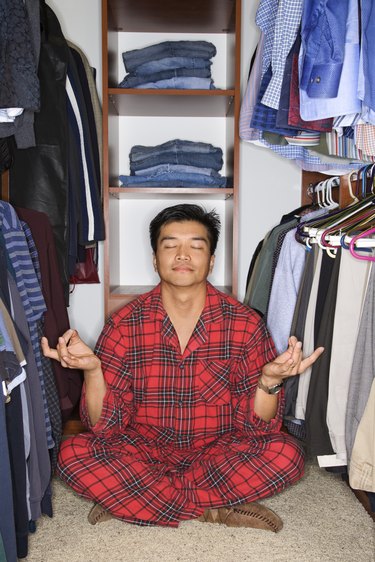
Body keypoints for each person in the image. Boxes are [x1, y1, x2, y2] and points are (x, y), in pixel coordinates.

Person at [41, 204, 324, 531]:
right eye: (170, 245)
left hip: (219, 453)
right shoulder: (123, 325)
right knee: (71, 453)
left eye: (196, 246)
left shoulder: (246, 325)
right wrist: (92, 371)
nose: (183, 255)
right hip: (143, 450)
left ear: (212, 260)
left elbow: (256, 430)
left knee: (287, 454)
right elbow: (107, 428)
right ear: (155, 259)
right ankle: (213, 508)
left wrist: (268, 382)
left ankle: (133, 500)